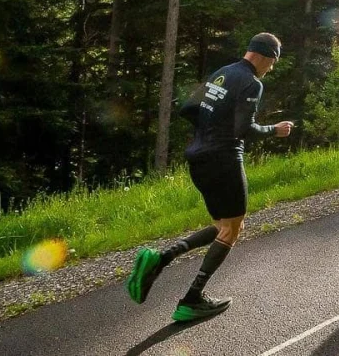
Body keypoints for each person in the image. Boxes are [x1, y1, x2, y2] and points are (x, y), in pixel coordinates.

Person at [126, 32, 294, 322]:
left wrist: (207, 132)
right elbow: (245, 128)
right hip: (224, 160)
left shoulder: (222, 73)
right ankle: (192, 299)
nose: (272, 68)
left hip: (198, 158)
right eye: (274, 62)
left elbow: (188, 108)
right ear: (267, 56)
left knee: (220, 225)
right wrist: (274, 130)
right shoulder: (252, 82)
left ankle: (161, 259)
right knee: (232, 229)